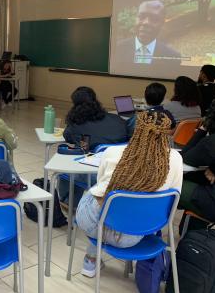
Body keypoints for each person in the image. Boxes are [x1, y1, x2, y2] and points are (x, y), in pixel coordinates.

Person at [75, 111, 183, 278]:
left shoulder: (112, 152)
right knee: (124, 203)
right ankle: (92, 258)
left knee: (97, 191)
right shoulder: (176, 159)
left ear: (136, 128)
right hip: (133, 236)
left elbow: (100, 188)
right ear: (168, 132)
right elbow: (173, 200)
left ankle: (90, 260)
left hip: (93, 225)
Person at [60, 87, 129, 204]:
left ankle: (68, 201)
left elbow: (69, 137)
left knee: (64, 171)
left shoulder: (77, 125)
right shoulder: (118, 120)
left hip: (96, 175)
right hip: (123, 172)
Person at [179, 98, 215, 224]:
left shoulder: (211, 143)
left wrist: (203, 129)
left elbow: (184, 158)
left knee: (171, 183)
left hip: (213, 203)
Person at [116, 0, 181, 66]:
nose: (146, 23)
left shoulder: (173, 57)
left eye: (154, 19)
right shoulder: (116, 49)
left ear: (162, 23)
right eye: (141, 17)